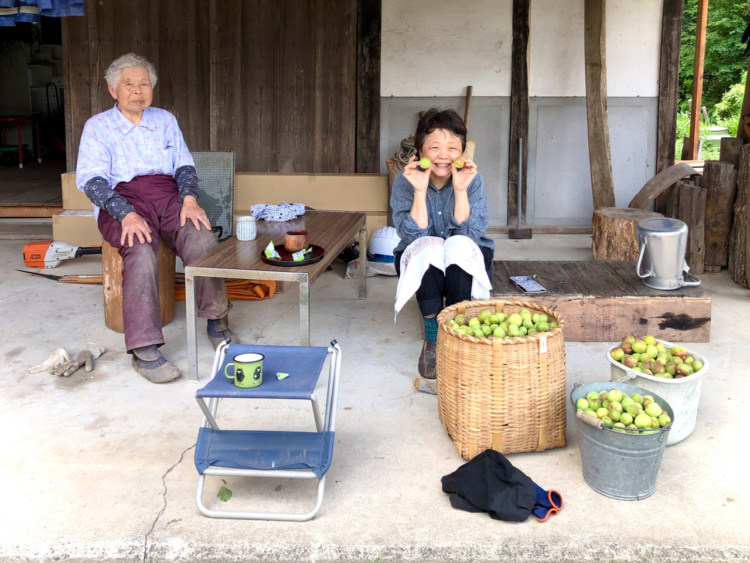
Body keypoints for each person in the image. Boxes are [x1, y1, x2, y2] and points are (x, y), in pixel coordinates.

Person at [76, 53, 236, 384]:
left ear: (152, 88)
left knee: (202, 236)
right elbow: (91, 181)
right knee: (140, 246)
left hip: (167, 195)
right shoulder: (98, 127)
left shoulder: (164, 119)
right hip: (120, 199)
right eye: (129, 84)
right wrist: (126, 214)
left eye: (144, 83)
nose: (137, 90)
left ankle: (216, 318)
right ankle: (144, 347)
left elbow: (184, 165)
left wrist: (189, 200)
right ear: (112, 90)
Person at [390, 108, 494, 380]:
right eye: (434, 147)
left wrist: (460, 190)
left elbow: (470, 234)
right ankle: (432, 338)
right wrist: (420, 191)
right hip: (427, 256)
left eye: (452, 147)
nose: (444, 155)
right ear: (420, 151)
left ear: (462, 152)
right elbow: (413, 236)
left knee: (457, 247)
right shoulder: (406, 181)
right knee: (428, 247)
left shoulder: (473, 179)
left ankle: (458, 334)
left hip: (463, 256)